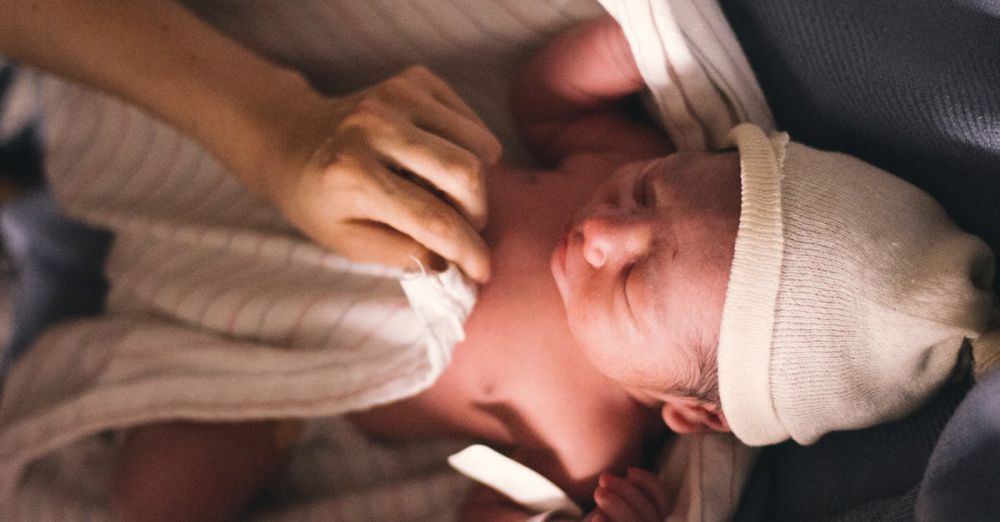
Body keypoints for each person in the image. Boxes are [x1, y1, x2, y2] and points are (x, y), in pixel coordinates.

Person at [106, 13, 998, 521]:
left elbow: (484, 511)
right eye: (648, 194)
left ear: (689, 410)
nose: (605, 231)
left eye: (635, 283)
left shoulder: (591, 443)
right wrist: (633, 43)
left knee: (182, 483)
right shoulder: (609, 157)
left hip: (268, 389)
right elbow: (547, 100)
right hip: (263, 218)